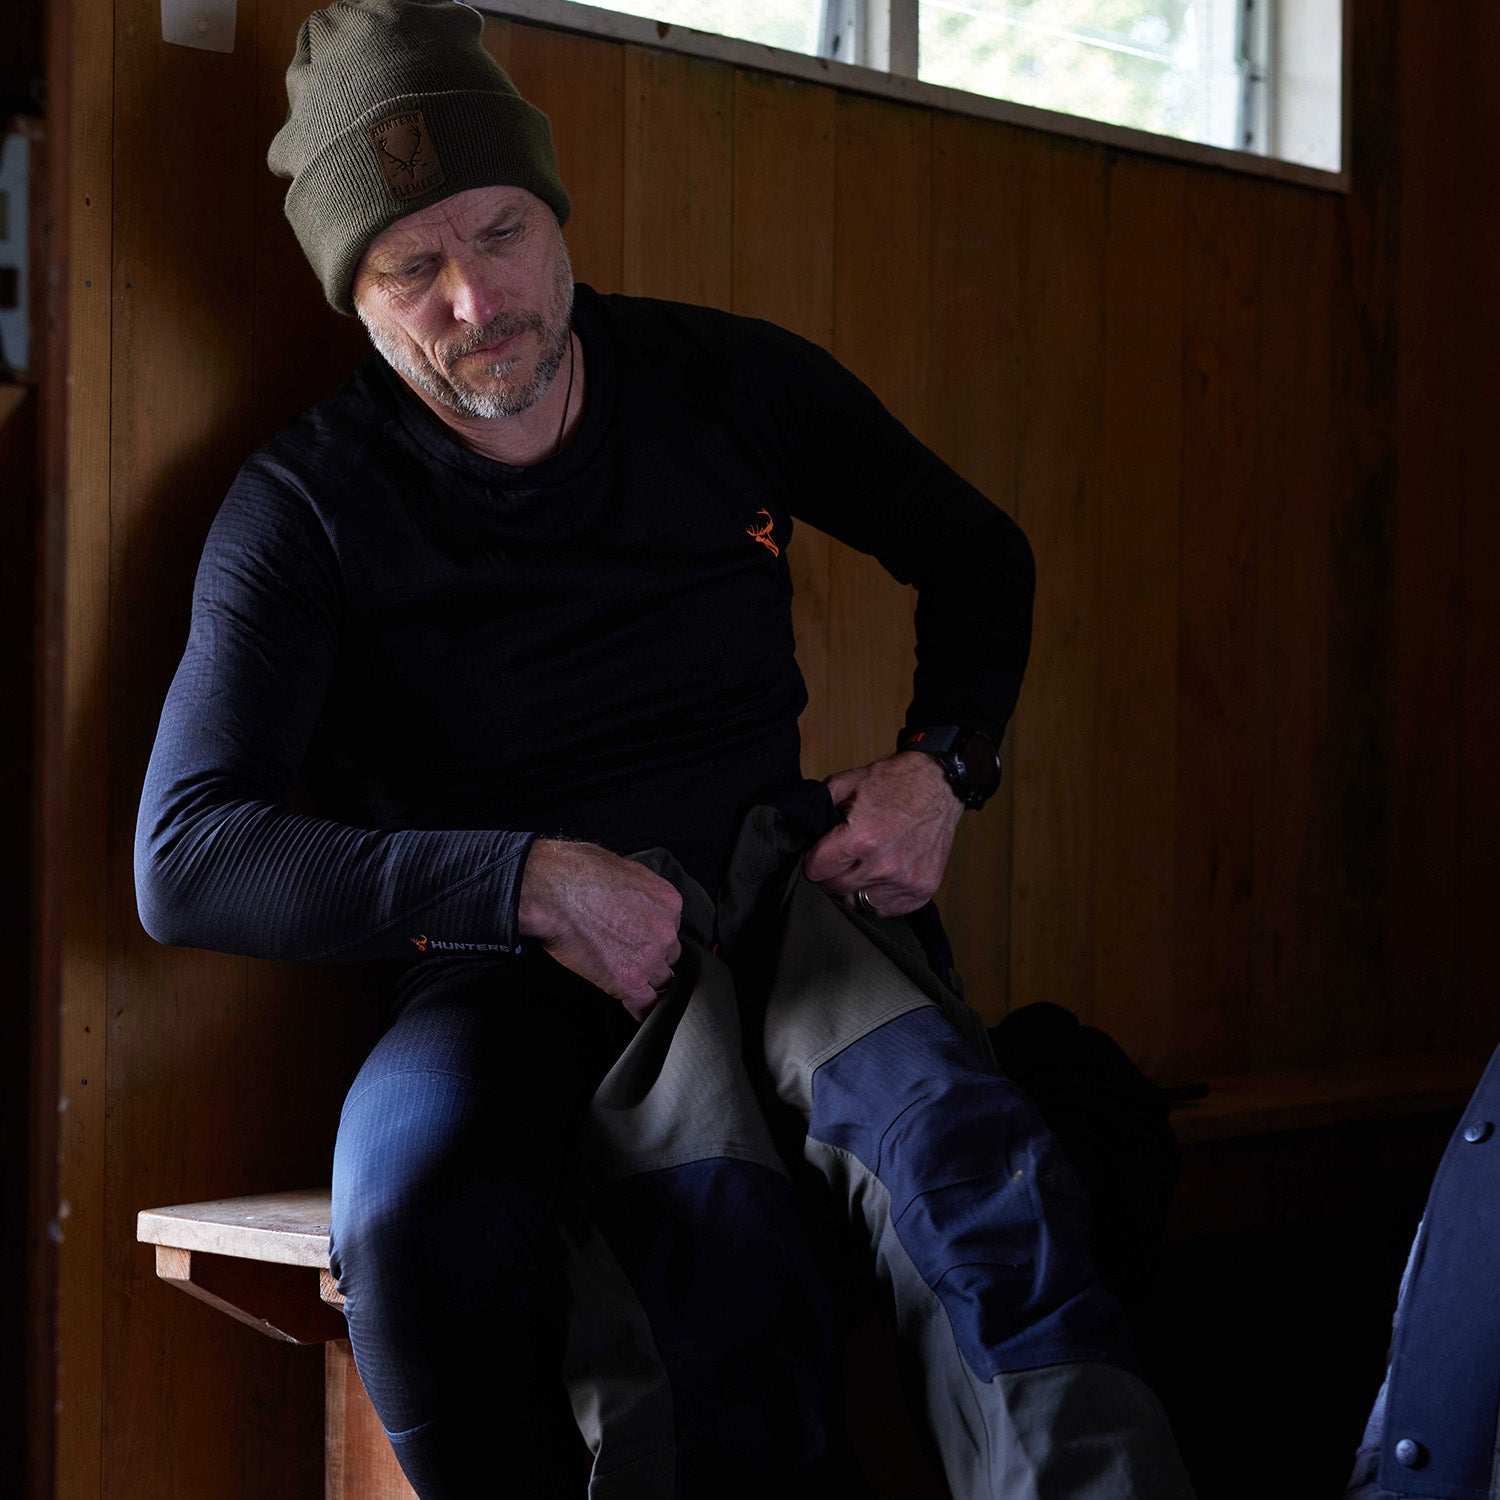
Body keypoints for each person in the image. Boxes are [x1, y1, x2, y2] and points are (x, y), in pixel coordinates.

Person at [134, 1, 1196, 1495]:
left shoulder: (725, 383)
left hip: (783, 909)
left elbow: (979, 555)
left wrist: (943, 767)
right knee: (416, 1216)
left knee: (969, 1168)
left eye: (500, 232)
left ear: (556, 214)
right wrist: (532, 882)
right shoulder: (304, 505)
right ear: (352, 297)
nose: (474, 298)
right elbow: (188, 858)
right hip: (507, 966)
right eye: (410, 268)